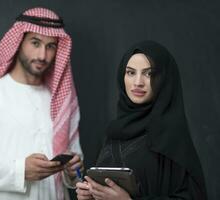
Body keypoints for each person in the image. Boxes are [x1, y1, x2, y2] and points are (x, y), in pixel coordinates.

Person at [0, 7, 83, 200]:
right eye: (35, 43)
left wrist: (73, 174)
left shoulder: (62, 103)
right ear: (18, 42)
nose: (42, 55)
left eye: (51, 46)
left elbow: (74, 170)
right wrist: (19, 171)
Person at [76, 41, 207, 200]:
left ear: (164, 79)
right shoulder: (112, 133)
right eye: (131, 72)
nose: (138, 82)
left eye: (149, 74)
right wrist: (89, 194)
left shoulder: (171, 137)